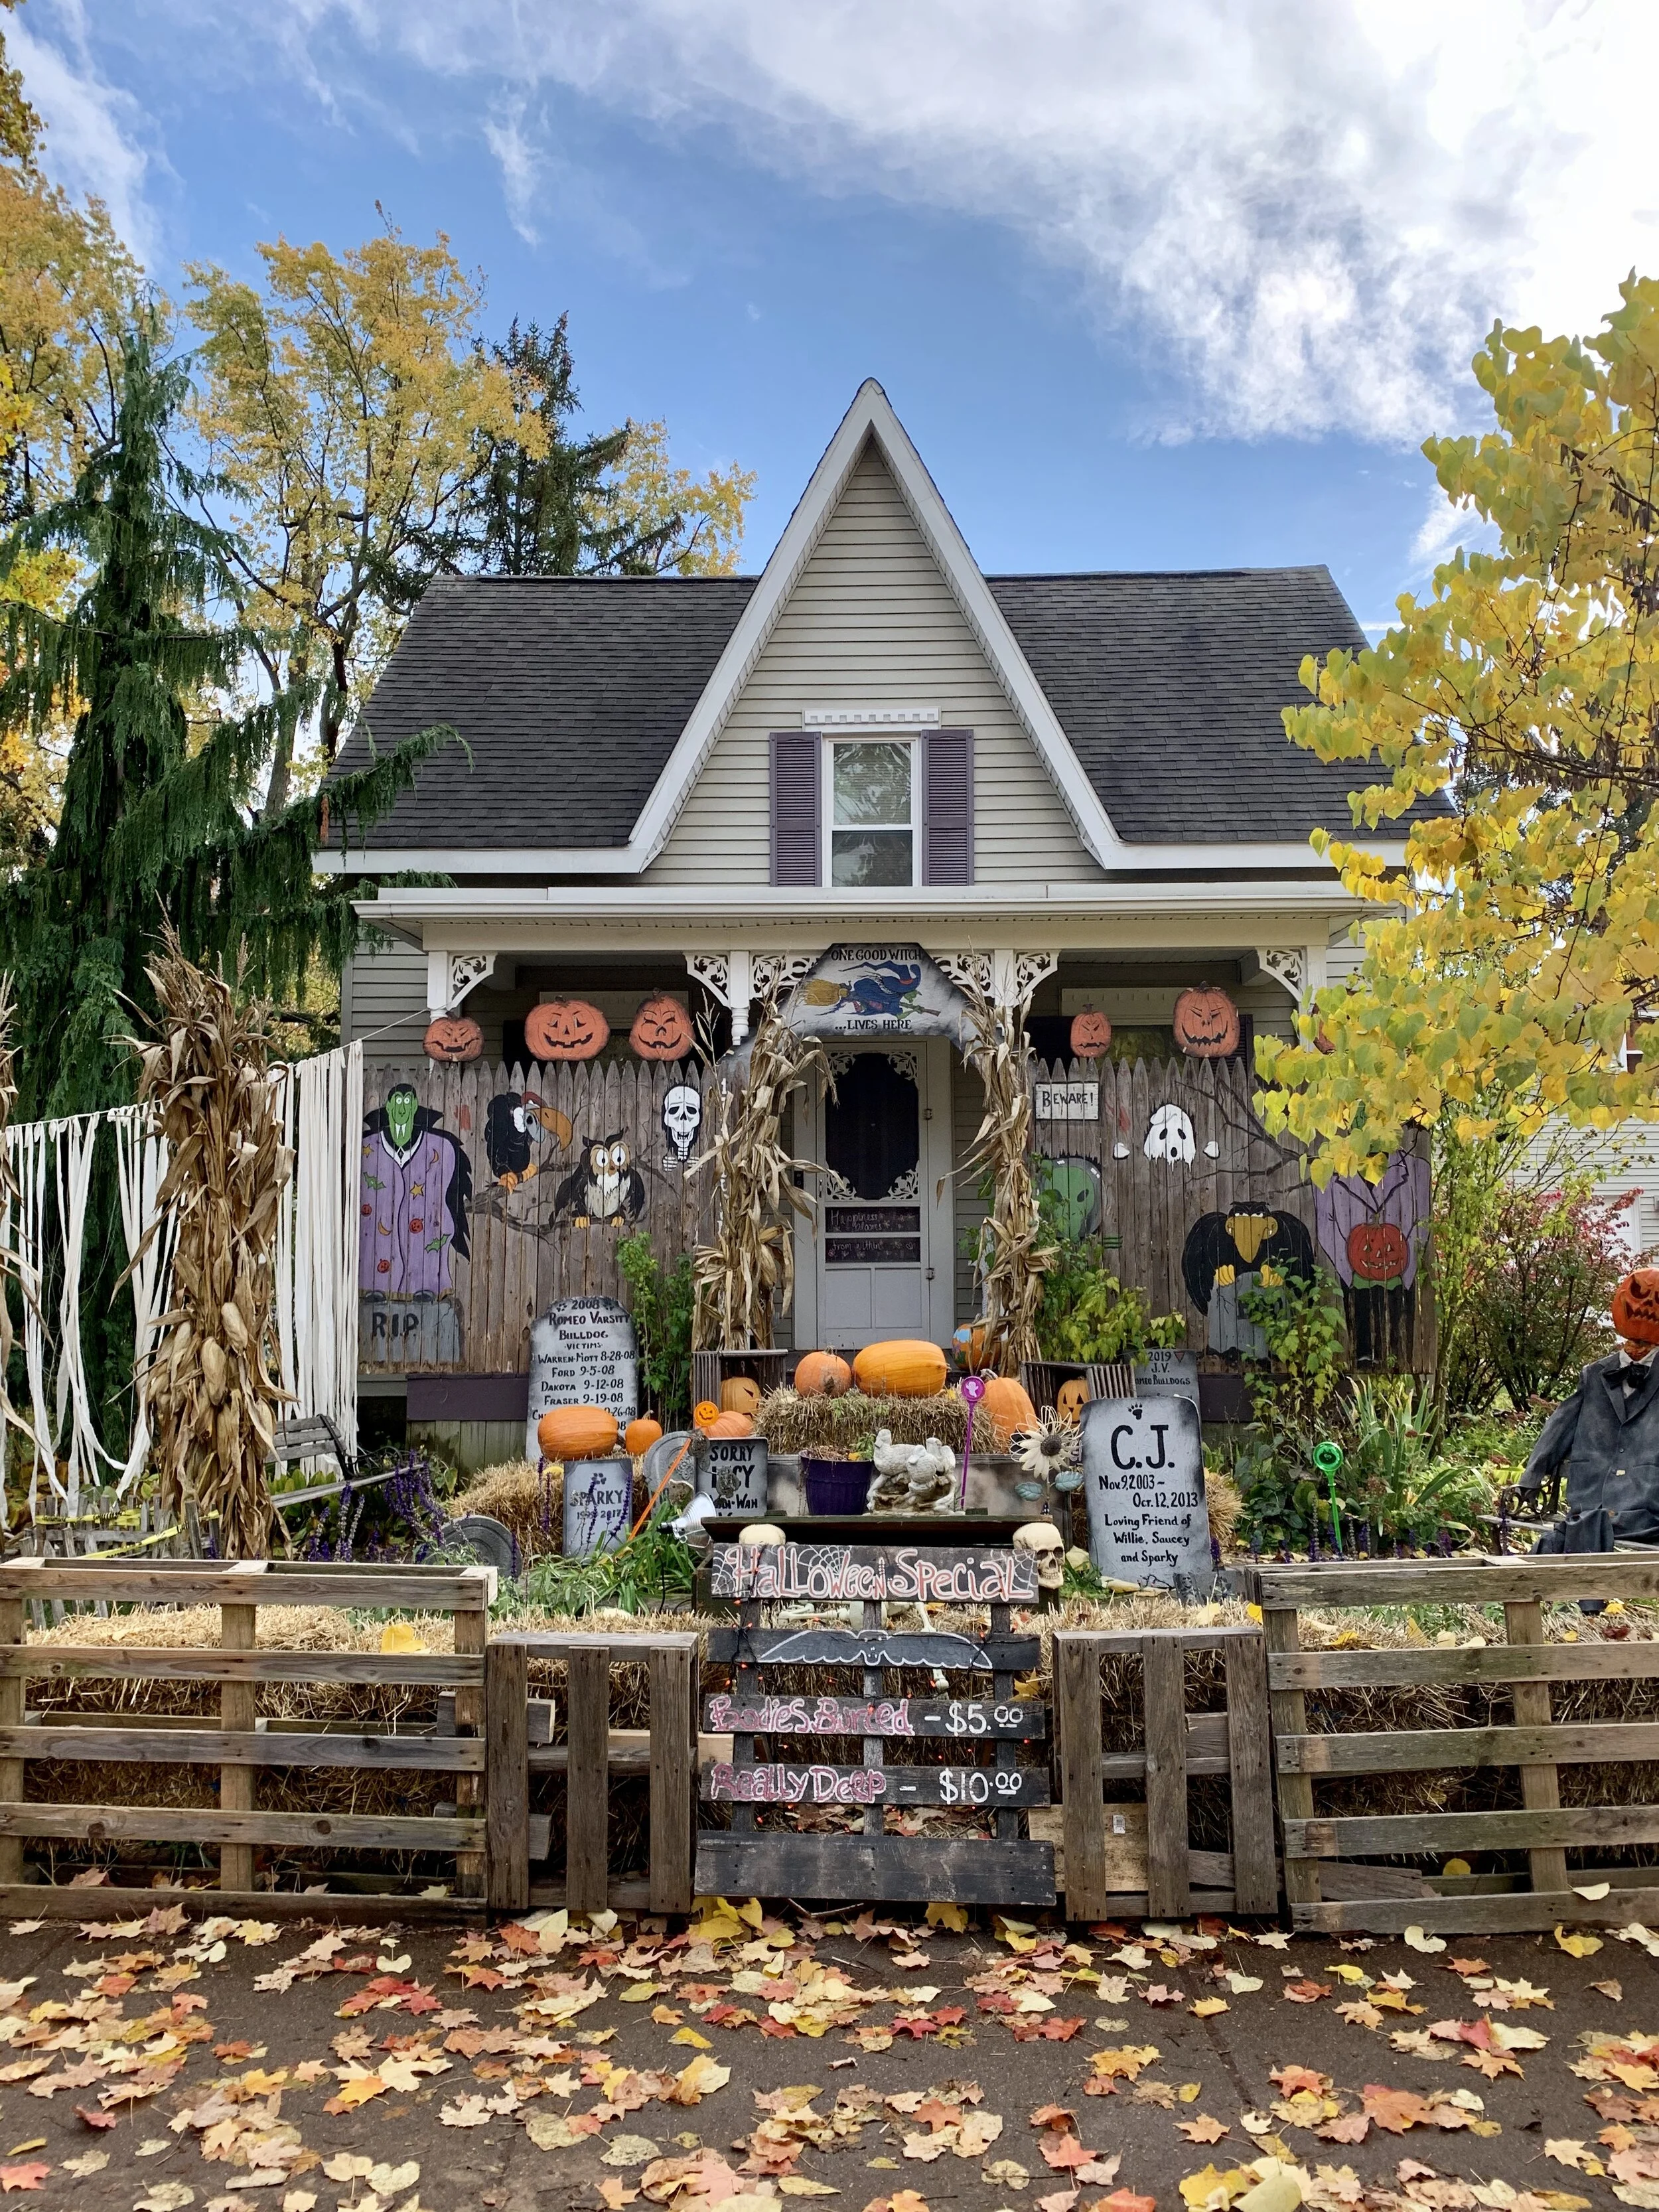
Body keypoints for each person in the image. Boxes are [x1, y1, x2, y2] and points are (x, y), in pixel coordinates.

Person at [1516, 1268, 1659, 1552]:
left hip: (1645, 1508)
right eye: (1631, 1341)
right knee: (1557, 1545)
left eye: (1643, 1343)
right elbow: (1559, 1428)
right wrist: (1530, 1478)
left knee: (1567, 1540)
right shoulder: (1594, 1375)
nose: (1635, 1348)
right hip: (1589, 1503)